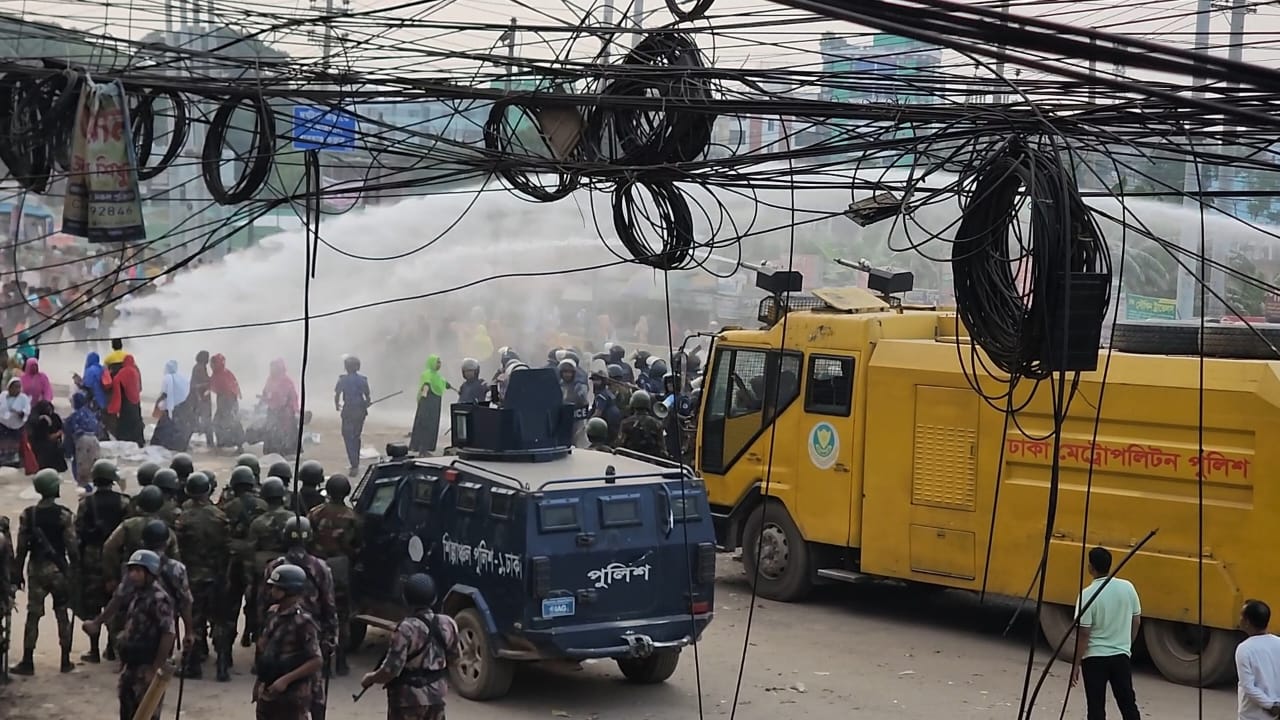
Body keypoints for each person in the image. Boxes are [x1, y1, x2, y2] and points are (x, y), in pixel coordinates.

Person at [260, 516, 338, 720]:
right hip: (312, 633)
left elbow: (262, 601)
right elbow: (329, 605)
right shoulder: (321, 567)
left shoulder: (273, 567)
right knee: (314, 693)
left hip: (287, 634)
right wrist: (332, 637)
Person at [360, 573, 459, 720]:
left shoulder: (406, 629)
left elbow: (391, 671)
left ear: (406, 599)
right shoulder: (448, 623)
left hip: (406, 702)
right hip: (436, 698)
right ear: (434, 598)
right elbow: (455, 659)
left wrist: (371, 678)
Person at [10, 469, 79, 675]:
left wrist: (17, 572)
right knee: (62, 613)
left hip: (36, 569)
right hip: (58, 570)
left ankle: (27, 661)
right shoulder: (64, 514)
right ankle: (65, 660)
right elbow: (72, 547)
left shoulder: (28, 515)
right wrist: (74, 570)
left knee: (33, 614)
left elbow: (21, 547)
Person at [1070, 546, 1142, 720]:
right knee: (1128, 704)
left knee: (1096, 708)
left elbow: (1084, 634)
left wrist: (1076, 664)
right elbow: (1136, 620)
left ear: (1090, 568)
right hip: (1121, 656)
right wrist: (1127, 645)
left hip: (1094, 659)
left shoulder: (1086, 595)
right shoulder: (1128, 588)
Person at [175, 472, 231, 681]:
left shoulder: (183, 519)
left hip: (193, 575)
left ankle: (193, 666)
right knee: (220, 621)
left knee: (195, 620)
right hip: (217, 574)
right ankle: (223, 665)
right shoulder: (220, 516)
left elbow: (178, 550)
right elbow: (228, 548)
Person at [75, 460, 129, 663]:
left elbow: (78, 532)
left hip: (91, 558)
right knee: (114, 601)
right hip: (116, 558)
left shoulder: (85, 503)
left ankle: (94, 650)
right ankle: (113, 648)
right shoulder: (125, 502)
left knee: (92, 605)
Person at [254, 564, 324, 720]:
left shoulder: (303, 622)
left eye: (277, 588)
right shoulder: (273, 613)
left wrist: (285, 680)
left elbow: (316, 660)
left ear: (290, 590)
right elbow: (266, 652)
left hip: (292, 694)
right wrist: (259, 682)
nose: (272, 591)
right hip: (269, 689)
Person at [113, 549, 177, 720]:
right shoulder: (137, 593)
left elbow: (168, 634)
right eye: (132, 570)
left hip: (146, 665)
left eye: (138, 571)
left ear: (150, 573)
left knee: (147, 713)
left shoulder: (158, 598)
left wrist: (155, 668)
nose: (133, 575)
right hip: (131, 665)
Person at [308, 473, 361, 676]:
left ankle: (321, 661)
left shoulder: (314, 514)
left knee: (317, 613)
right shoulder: (353, 518)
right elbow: (358, 546)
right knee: (341, 615)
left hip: (317, 568)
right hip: (340, 570)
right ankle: (341, 661)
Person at [224, 466, 268, 648]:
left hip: (233, 562)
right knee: (257, 605)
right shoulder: (263, 506)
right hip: (256, 562)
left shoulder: (228, 507)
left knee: (229, 608)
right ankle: (256, 647)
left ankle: (224, 661)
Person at [1237, 599, 1280, 720]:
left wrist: (1271, 706)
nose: (1239, 619)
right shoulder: (1278, 643)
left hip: (1252, 715)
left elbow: (1248, 687)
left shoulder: (1244, 649)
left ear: (1247, 622)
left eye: (1241, 616)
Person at [334, 355, 371, 476]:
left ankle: (354, 462)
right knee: (356, 436)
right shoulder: (363, 380)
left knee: (347, 435)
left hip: (348, 411)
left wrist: (337, 405)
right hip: (360, 411)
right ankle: (356, 462)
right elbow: (368, 396)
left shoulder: (342, 380)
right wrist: (367, 404)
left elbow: (337, 394)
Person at [411, 355, 452, 454]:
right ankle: (421, 449)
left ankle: (427, 448)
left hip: (435, 403)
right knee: (425, 425)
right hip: (427, 403)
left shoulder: (438, 376)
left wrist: (448, 385)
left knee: (433, 426)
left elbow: (443, 383)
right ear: (432, 363)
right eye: (437, 362)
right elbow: (426, 384)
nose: (439, 364)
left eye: (440, 362)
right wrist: (424, 395)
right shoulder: (427, 374)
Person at [260, 359, 300, 456]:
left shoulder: (286, 381)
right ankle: (272, 450)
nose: (272, 370)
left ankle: (286, 450)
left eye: (274, 368)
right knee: (271, 430)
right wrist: (262, 399)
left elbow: (292, 397)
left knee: (285, 432)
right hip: (273, 409)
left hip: (285, 411)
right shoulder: (270, 379)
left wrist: (293, 409)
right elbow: (265, 391)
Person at [151, 359, 191, 452]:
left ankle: (162, 446)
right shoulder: (181, 378)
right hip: (180, 407)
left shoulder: (167, 378)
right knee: (176, 427)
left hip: (169, 407)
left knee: (163, 428)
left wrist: (157, 403)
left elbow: (164, 394)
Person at [64, 393, 102, 490]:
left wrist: (68, 452)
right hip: (95, 441)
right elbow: (99, 430)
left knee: (79, 465)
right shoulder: (91, 414)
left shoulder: (74, 417)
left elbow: (68, 433)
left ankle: (85, 488)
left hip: (82, 441)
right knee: (93, 466)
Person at [210, 353, 244, 451]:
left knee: (232, 423)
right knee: (218, 423)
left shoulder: (224, 373)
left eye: (212, 364)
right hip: (222, 402)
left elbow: (231, 387)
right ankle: (222, 443)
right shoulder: (217, 373)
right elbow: (214, 385)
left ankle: (239, 445)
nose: (211, 366)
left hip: (229, 402)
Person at [109, 355, 145, 447]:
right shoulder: (136, 372)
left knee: (125, 424)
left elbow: (116, 389)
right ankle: (139, 442)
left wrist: (114, 408)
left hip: (126, 404)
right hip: (136, 404)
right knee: (136, 422)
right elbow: (140, 388)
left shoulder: (121, 374)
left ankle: (125, 440)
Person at [617, 390, 665, 458]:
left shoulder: (626, 423)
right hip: (651, 463)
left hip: (629, 461)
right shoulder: (657, 424)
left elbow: (620, 445)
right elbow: (662, 449)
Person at [26, 400, 66, 476]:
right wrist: (57, 434)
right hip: (43, 449)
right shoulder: (38, 420)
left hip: (52, 448)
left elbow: (61, 429)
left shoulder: (55, 417)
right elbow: (47, 437)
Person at [558, 358, 590, 448]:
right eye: (565, 372)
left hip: (576, 420)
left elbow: (584, 402)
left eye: (569, 372)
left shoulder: (579, 386)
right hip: (562, 420)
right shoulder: (558, 385)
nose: (567, 374)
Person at [0, 377, 29, 468]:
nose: (17, 389)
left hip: (16, 426)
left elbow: (27, 411)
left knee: (14, 447)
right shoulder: (3, 396)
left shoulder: (23, 398)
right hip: (3, 425)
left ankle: (13, 463)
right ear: (9, 387)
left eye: (19, 387)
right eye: (15, 387)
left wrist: (20, 412)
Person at [74, 351, 112, 417]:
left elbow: (87, 385)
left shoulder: (90, 370)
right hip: (104, 400)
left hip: (95, 400)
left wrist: (78, 381)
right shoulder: (101, 368)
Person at [189, 351, 214, 448]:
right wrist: (209, 382)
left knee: (196, 421)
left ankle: (185, 440)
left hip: (200, 398)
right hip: (200, 399)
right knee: (205, 421)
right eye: (207, 357)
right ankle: (210, 443)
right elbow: (196, 384)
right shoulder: (199, 368)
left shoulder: (200, 367)